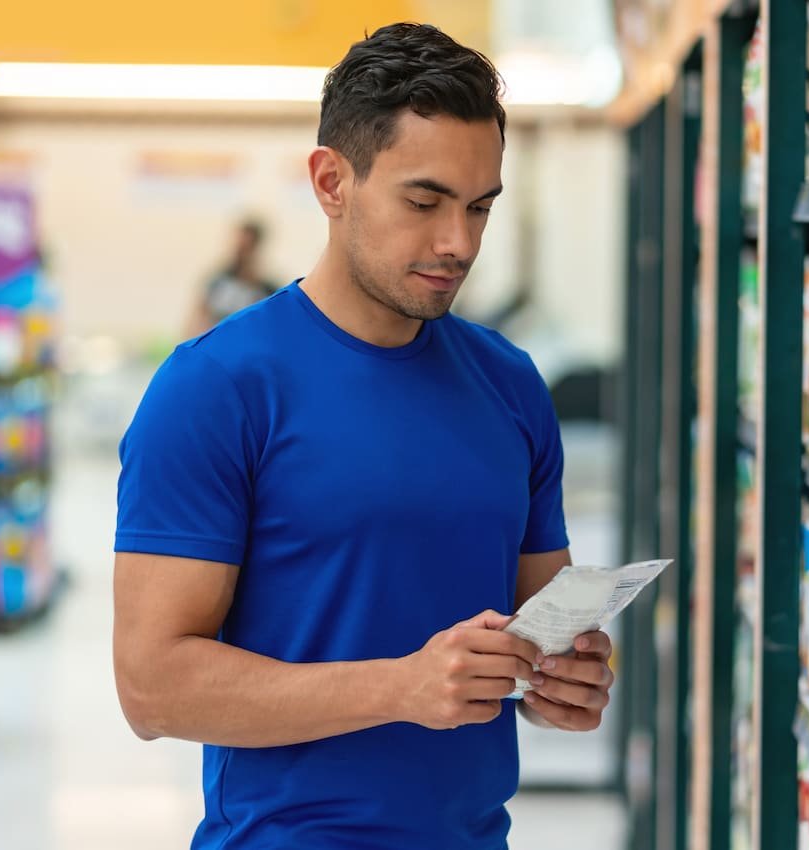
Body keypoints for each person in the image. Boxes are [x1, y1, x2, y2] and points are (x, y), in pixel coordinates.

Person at [112, 22, 614, 850]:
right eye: (424, 202)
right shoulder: (217, 388)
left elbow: (539, 626)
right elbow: (151, 687)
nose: (458, 242)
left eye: (479, 207)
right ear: (331, 180)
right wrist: (401, 688)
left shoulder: (511, 384)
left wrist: (574, 678)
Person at [185, 218, 279, 337]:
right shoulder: (217, 282)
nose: (239, 252)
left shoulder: (268, 291)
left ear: (256, 249)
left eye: (246, 248)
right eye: (237, 246)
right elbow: (198, 319)